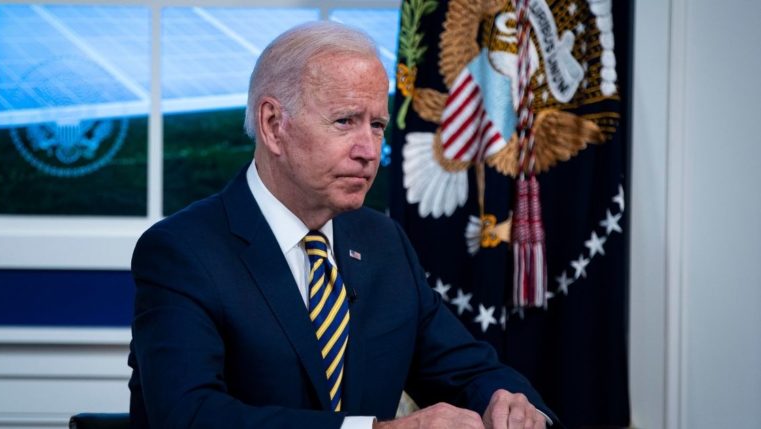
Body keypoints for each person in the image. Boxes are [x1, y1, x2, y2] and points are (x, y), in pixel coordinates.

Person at [128, 21, 558, 429]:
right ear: (273, 125)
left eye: (377, 126)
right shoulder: (181, 251)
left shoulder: (382, 241)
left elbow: (468, 371)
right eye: (345, 121)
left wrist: (509, 402)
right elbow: (190, 417)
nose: (369, 151)